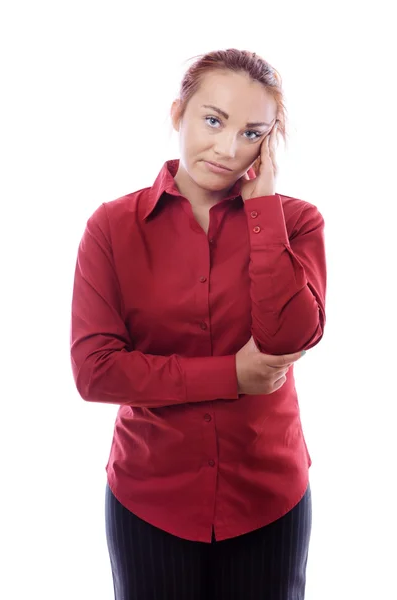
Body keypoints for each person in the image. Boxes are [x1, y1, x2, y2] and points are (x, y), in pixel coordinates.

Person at [70, 48, 327, 600]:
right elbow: (96, 373)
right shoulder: (112, 228)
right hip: (151, 497)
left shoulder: (297, 222)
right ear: (177, 114)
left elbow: (288, 337)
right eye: (213, 120)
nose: (229, 149)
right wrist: (232, 374)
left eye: (252, 132)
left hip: (268, 497)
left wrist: (262, 209)